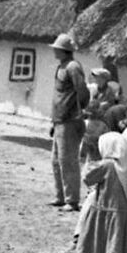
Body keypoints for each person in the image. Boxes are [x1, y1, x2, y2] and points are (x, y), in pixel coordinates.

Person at [48, 34, 89, 210]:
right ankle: (61, 196)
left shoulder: (73, 67)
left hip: (70, 120)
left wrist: (80, 111)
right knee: (56, 160)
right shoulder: (61, 66)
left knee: (68, 161)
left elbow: (82, 90)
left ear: (64, 50)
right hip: (59, 120)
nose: (54, 51)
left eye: (56, 48)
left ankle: (72, 200)